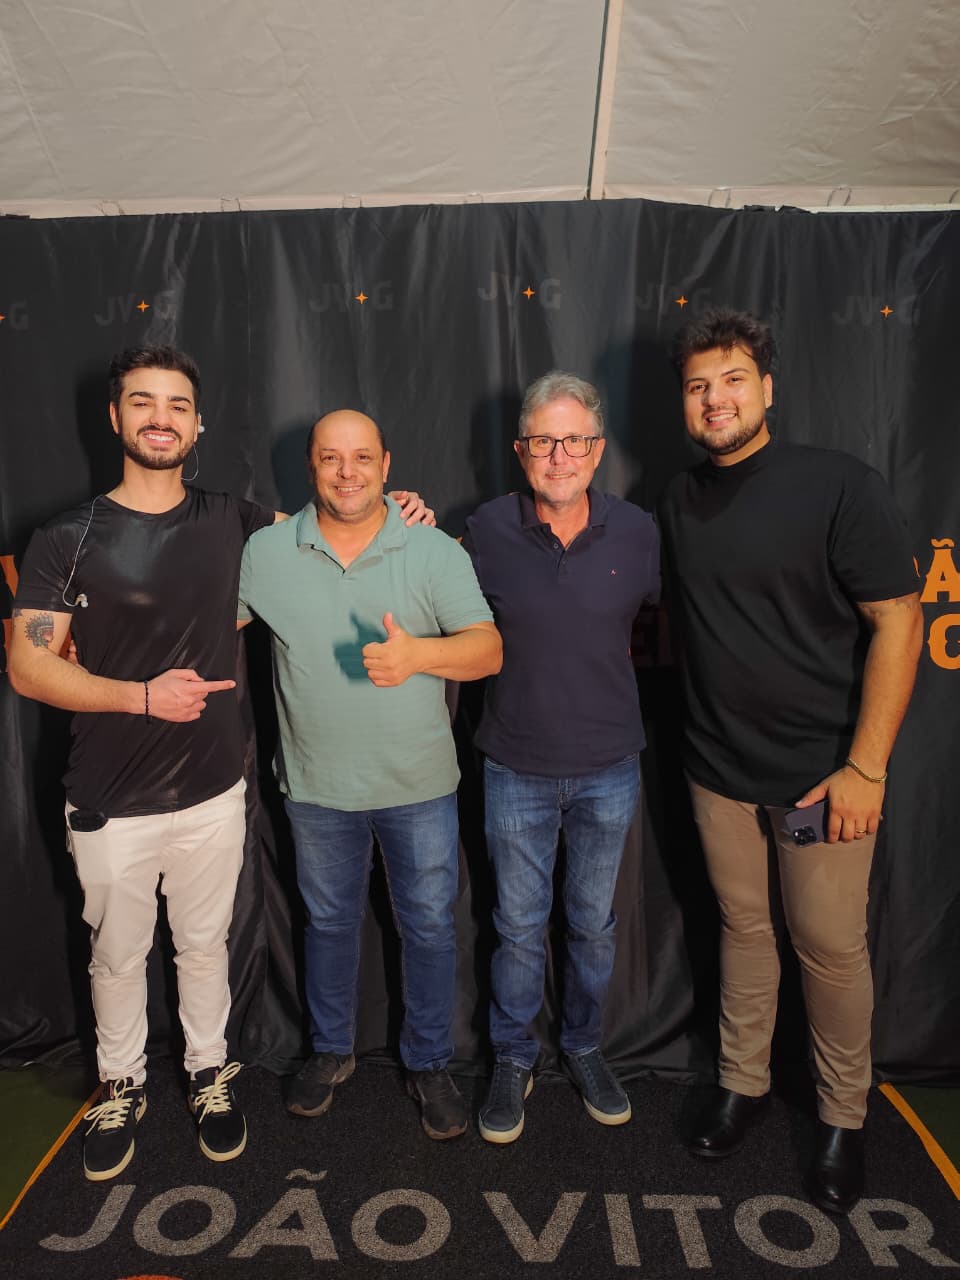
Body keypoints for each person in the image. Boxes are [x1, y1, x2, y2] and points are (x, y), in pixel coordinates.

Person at [9, 347, 432, 1182]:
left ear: (197, 424)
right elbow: (28, 667)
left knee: (204, 948)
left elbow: (333, 529)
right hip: (107, 800)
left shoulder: (235, 519)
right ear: (116, 418)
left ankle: (208, 1073)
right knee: (116, 956)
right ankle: (121, 1085)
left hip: (211, 791)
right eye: (143, 402)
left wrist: (397, 506)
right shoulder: (66, 536)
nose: (160, 417)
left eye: (177, 404)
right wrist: (141, 696)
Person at [657, 308, 922, 1214]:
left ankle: (844, 1117)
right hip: (717, 774)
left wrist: (866, 769)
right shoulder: (678, 500)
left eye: (733, 380)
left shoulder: (838, 485)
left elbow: (899, 620)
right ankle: (744, 1083)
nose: (715, 399)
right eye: (698, 386)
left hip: (819, 782)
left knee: (828, 947)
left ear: (767, 388)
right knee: (743, 929)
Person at [237, 409, 501, 1140]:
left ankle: (430, 1063)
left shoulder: (431, 548)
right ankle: (331, 1051)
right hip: (317, 787)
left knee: (429, 927)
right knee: (327, 924)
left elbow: (487, 650)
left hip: (419, 785)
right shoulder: (266, 552)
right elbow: (201, 624)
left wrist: (419, 656)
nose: (347, 472)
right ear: (311, 467)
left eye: (361, 457)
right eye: (331, 458)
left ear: (386, 465)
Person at [462, 372, 660, 1144]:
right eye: (544, 440)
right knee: (516, 928)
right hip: (514, 766)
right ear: (521, 451)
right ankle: (513, 1057)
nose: (559, 455)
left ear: (598, 450)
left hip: (610, 766)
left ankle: (581, 1045)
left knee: (592, 926)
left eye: (574, 440)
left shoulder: (638, 532)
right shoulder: (484, 529)